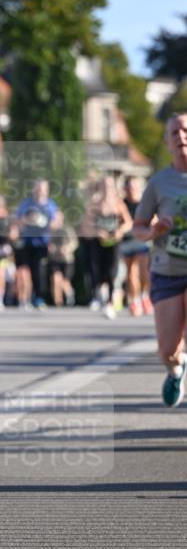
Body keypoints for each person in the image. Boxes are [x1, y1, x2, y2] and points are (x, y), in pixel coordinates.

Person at [132, 113, 187, 407]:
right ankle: (176, 369)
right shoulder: (158, 183)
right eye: (175, 132)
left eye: (186, 130)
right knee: (167, 349)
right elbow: (137, 228)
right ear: (167, 142)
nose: (181, 136)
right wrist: (153, 230)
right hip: (167, 271)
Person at [80, 175, 132, 319]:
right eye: (104, 185)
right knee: (96, 269)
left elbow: (128, 222)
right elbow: (85, 227)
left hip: (114, 242)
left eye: (109, 186)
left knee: (112, 270)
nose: (107, 188)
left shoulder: (118, 204)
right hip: (97, 242)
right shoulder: (93, 204)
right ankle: (97, 295)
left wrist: (119, 231)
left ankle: (109, 300)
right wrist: (97, 232)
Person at [14, 180, 62, 309]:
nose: (40, 191)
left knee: (39, 271)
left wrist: (47, 224)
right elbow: (18, 221)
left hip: (43, 243)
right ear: (34, 189)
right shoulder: (27, 204)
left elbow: (57, 222)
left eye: (43, 189)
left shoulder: (51, 205)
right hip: (28, 242)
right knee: (25, 271)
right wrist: (28, 219)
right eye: (38, 188)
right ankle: (25, 299)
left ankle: (39, 297)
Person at [121, 176, 152, 316]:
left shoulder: (145, 203)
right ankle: (135, 300)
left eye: (134, 186)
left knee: (144, 273)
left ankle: (145, 296)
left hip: (142, 241)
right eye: (129, 187)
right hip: (127, 241)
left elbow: (154, 220)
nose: (132, 189)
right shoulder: (122, 203)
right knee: (131, 273)